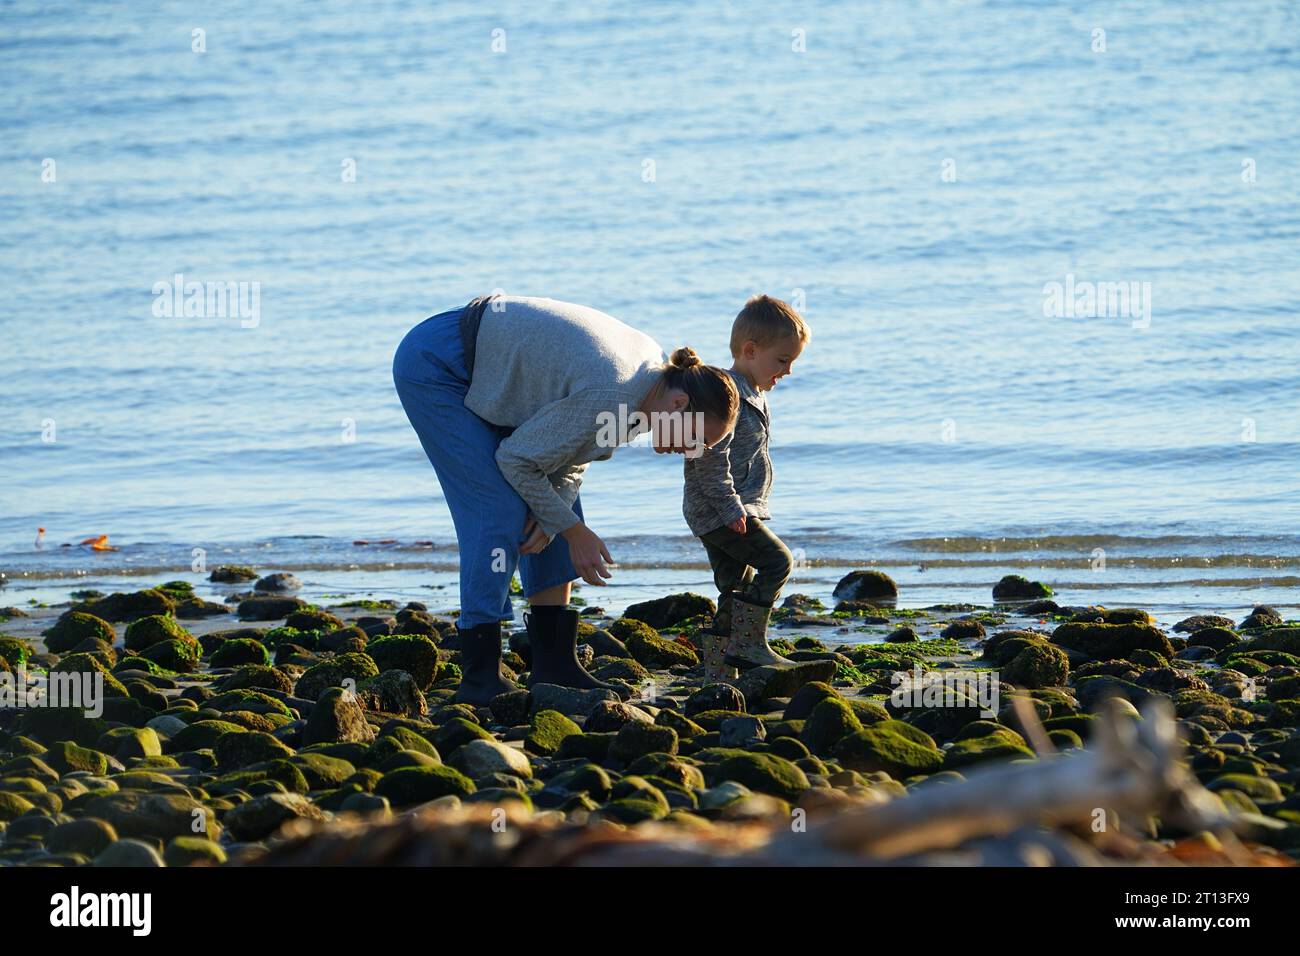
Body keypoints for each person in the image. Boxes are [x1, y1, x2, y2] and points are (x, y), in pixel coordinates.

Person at [392, 295, 739, 705]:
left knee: (555, 504)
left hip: (494, 366)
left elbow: (573, 456)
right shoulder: (615, 393)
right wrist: (573, 533)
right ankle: (479, 675)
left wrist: (559, 516)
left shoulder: (654, 387)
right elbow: (517, 460)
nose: (692, 451)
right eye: (695, 438)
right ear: (679, 405)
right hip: (440, 363)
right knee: (499, 509)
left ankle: (554, 662)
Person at [682, 294, 811, 680]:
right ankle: (750, 645)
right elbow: (706, 460)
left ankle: (720, 676)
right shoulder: (727, 394)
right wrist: (732, 508)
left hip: (726, 509)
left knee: (734, 588)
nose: (787, 371)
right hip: (721, 509)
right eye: (783, 360)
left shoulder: (755, 392)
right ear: (751, 350)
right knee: (778, 561)